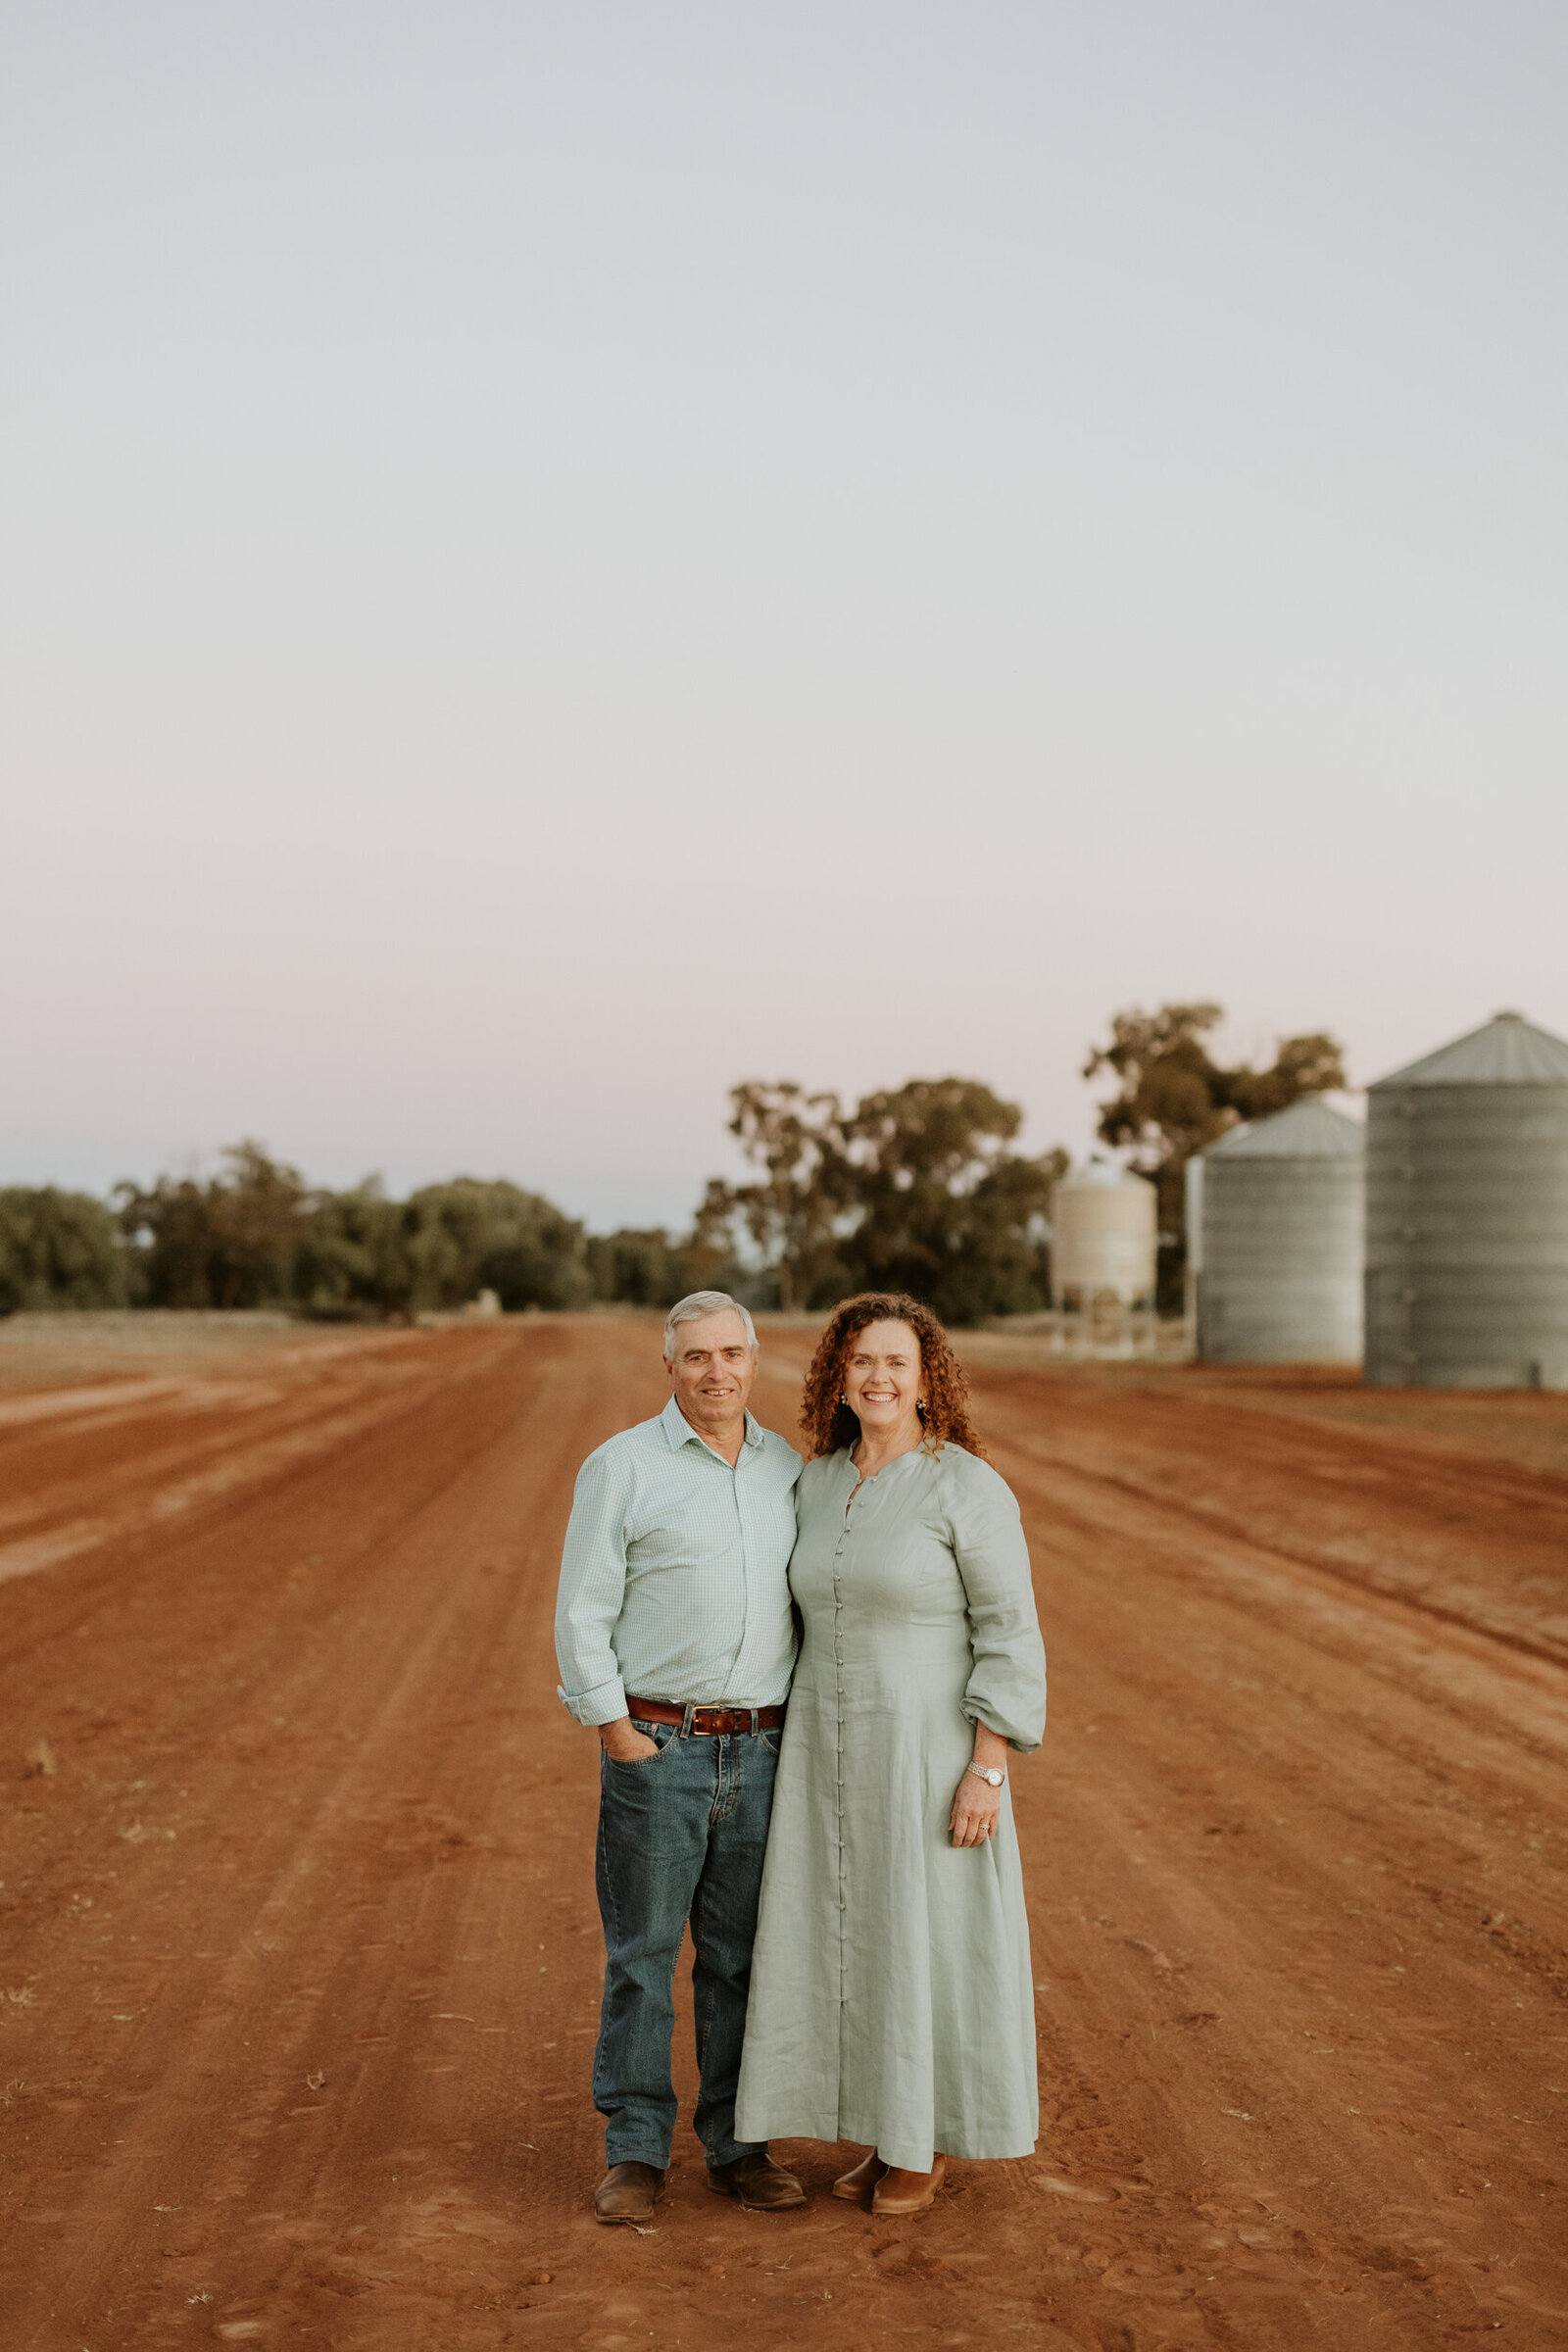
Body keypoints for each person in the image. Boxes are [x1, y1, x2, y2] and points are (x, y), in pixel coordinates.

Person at [735, 1292, 1047, 2216]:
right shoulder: (818, 1479)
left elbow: (1010, 1632)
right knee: (854, 1932)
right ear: (838, 1375)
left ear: (926, 1382)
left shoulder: (967, 1486)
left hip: (925, 1749)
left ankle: (928, 2139)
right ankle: (883, 2129)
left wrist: (988, 1765)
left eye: (896, 1363)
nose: (876, 1377)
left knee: (929, 1938)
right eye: (860, 1361)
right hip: (826, 1746)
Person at [554, 1291, 808, 2225]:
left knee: (742, 1959)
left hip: (765, 1749)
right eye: (695, 1356)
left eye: (731, 1353)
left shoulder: (788, 1468)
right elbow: (582, 1608)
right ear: (669, 1367)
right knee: (643, 1957)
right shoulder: (623, 1467)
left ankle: (740, 2147)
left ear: (753, 1359)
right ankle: (634, 2151)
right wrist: (617, 1732)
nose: (716, 1372)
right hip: (658, 1746)